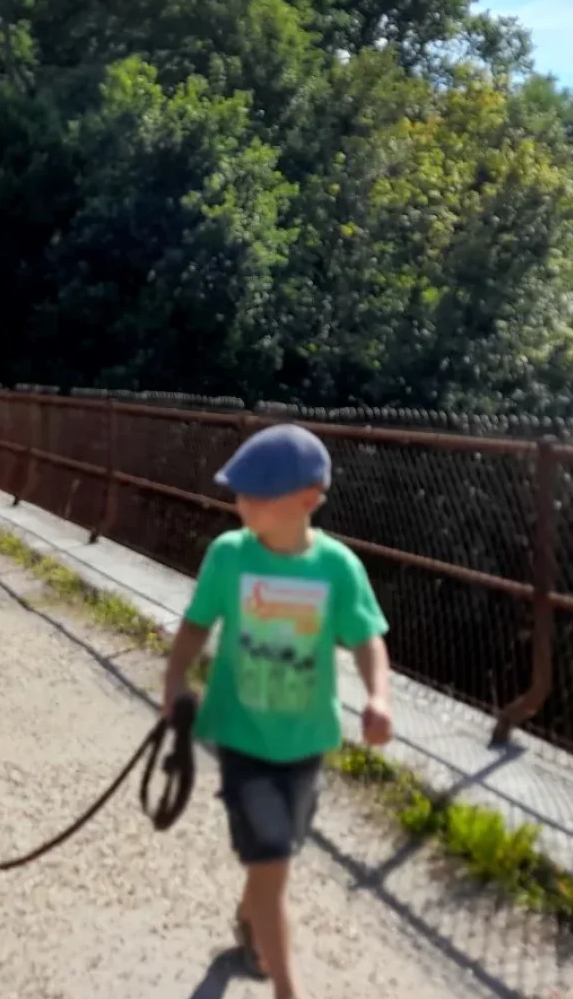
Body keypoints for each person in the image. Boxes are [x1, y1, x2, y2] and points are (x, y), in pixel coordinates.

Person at [160, 423, 393, 999]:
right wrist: (173, 679)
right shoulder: (228, 556)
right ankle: (289, 988)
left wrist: (378, 697)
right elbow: (196, 624)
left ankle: (250, 916)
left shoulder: (337, 568)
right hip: (240, 735)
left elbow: (367, 639)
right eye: (240, 492)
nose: (241, 505)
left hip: (306, 739)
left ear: (308, 500)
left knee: (275, 856)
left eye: (257, 496)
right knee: (274, 863)